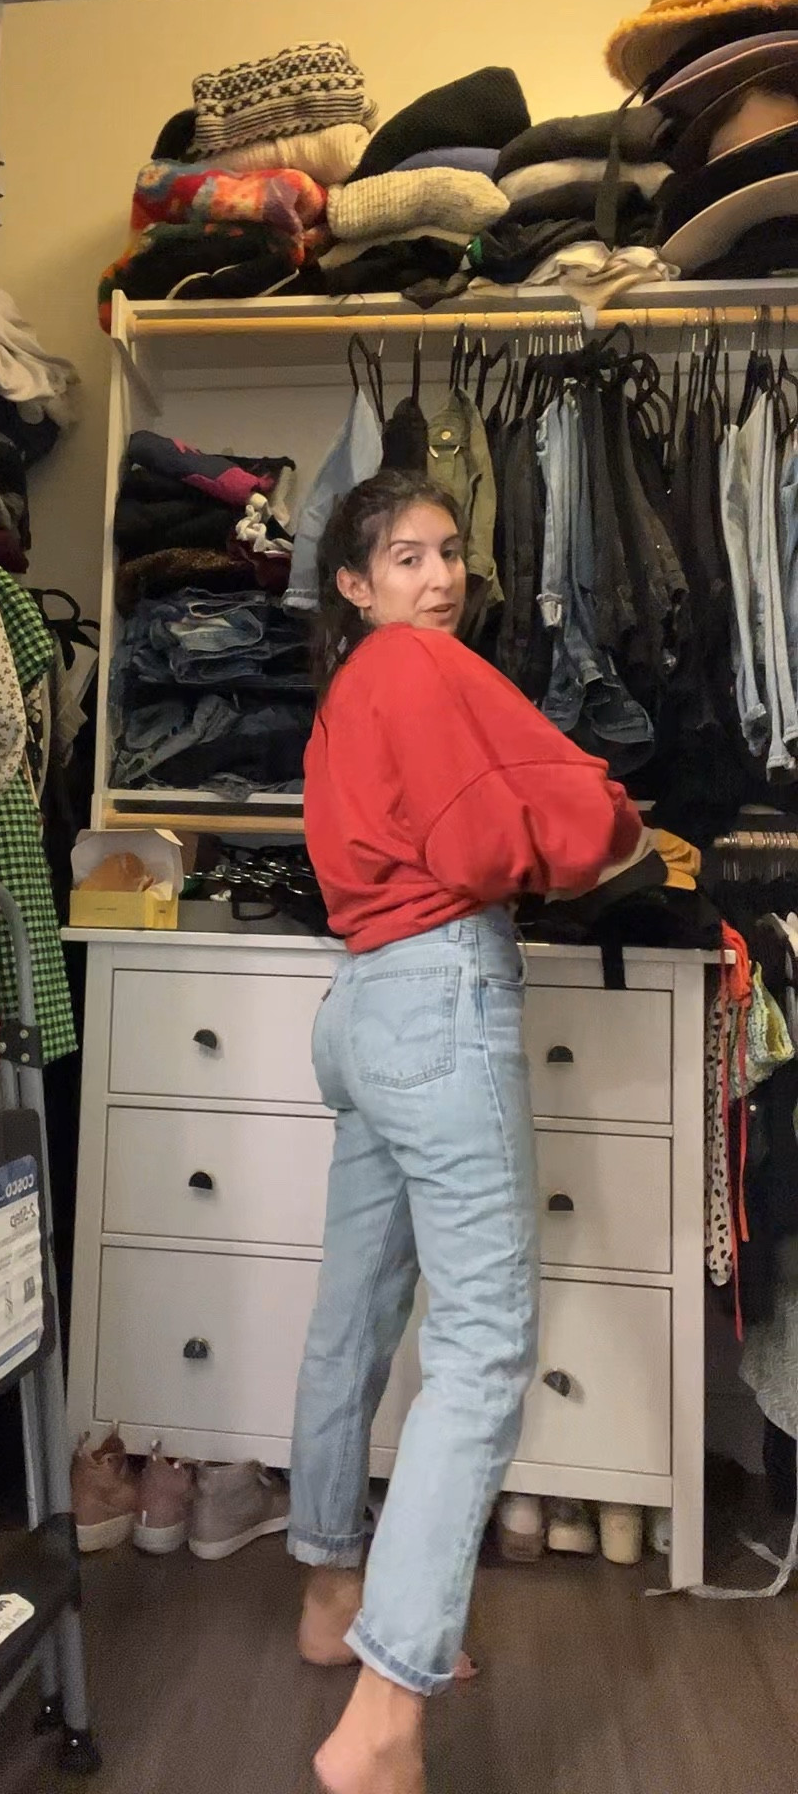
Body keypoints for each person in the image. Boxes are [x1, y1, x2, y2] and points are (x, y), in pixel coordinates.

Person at [288, 471, 642, 1794]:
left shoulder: (344, 695)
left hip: (361, 1008)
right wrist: (615, 827)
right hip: (438, 995)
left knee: (354, 1314)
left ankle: (332, 1594)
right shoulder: (418, 667)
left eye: (449, 553)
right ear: (354, 584)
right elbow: (504, 833)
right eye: (406, 557)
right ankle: (386, 1713)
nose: (439, 578)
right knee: (485, 1347)